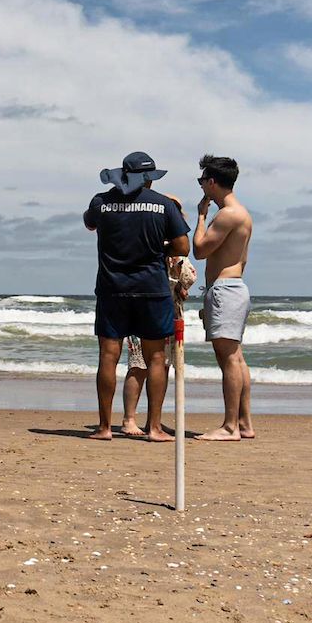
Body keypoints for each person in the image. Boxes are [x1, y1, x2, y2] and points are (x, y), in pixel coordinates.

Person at [83, 152, 190, 442]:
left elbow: (90, 224)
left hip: (111, 288)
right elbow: (183, 247)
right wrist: (159, 250)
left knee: (108, 356)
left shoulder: (101, 201)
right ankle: (154, 427)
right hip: (151, 289)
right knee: (156, 357)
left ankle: (105, 427)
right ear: (148, 179)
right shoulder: (163, 205)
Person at [121, 196, 197, 432]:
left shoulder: (151, 246)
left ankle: (141, 419)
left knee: (148, 365)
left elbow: (187, 279)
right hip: (157, 309)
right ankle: (137, 419)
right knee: (148, 365)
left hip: (153, 309)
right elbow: (188, 278)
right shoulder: (163, 248)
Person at [193, 154, 255, 441]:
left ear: (212, 182)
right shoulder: (242, 212)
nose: (201, 185)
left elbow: (200, 250)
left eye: (202, 180)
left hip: (226, 290)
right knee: (236, 358)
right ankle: (243, 423)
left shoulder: (228, 214)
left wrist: (201, 217)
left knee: (229, 359)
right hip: (233, 288)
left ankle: (231, 426)